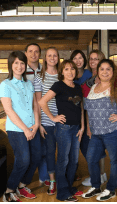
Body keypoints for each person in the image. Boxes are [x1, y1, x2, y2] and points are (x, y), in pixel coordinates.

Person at [82, 59, 117, 201]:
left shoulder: (116, 87)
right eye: (102, 69)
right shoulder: (94, 88)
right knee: (91, 159)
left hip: (113, 131)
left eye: (108, 69)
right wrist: (89, 127)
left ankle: (110, 189)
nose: (105, 72)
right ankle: (96, 187)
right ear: (98, 72)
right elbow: (88, 110)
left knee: (114, 161)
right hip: (96, 133)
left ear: (113, 72)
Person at [39, 60, 84, 202]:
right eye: (66, 69)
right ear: (62, 72)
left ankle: (68, 187)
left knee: (74, 161)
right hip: (64, 129)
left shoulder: (78, 87)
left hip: (76, 129)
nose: (70, 72)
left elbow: (81, 108)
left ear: (75, 71)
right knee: (63, 161)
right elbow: (42, 102)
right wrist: (53, 117)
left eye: (72, 69)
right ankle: (62, 193)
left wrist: (82, 126)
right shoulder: (58, 85)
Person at [0, 51, 41, 202]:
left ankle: (22, 186)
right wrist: (25, 129)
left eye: (22, 63)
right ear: (10, 65)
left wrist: (36, 124)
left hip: (32, 127)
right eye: (16, 63)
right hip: (16, 130)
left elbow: (35, 105)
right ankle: (9, 190)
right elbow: (8, 110)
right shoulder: (5, 85)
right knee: (23, 160)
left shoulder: (28, 84)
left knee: (36, 157)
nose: (19, 66)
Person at [32, 47, 60, 195]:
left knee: (63, 152)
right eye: (49, 55)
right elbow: (37, 102)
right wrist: (40, 123)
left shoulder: (62, 75)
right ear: (45, 58)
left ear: (58, 58)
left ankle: (61, 177)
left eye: (55, 55)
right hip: (47, 122)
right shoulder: (39, 77)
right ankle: (52, 181)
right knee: (50, 152)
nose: (52, 58)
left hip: (62, 121)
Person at [80, 50, 107, 187]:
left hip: (96, 118)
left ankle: (97, 176)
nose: (92, 61)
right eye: (91, 59)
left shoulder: (99, 78)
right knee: (97, 148)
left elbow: (93, 103)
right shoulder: (92, 77)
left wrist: (89, 126)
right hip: (90, 116)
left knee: (90, 147)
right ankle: (101, 175)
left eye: (96, 59)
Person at [25, 43, 49, 187]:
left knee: (44, 148)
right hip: (27, 116)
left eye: (36, 52)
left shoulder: (44, 70)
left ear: (40, 54)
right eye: (30, 51)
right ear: (26, 53)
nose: (33, 54)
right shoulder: (21, 69)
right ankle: (25, 178)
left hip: (43, 113)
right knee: (29, 152)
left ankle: (44, 176)